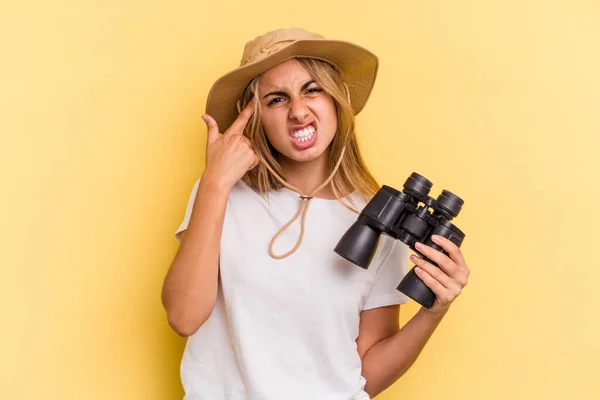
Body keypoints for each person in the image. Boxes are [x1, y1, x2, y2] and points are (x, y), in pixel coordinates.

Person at [161, 27, 470, 400]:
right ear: (255, 117)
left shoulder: (377, 216)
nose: (298, 111)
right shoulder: (222, 193)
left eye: (312, 90)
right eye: (276, 99)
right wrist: (214, 184)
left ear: (336, 99)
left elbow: (364, 374)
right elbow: (183, 317)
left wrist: (434, 310)